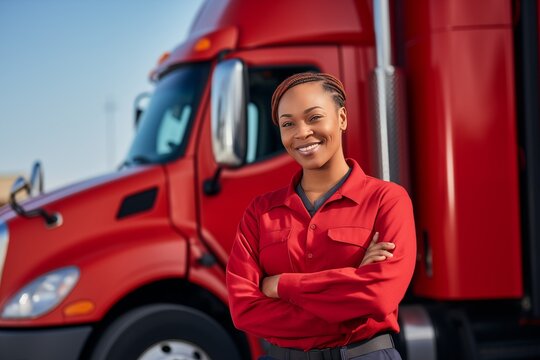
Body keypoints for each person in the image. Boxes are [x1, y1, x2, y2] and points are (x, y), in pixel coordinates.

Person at [226, 72, 416, 360]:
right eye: (289, 124)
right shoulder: (260, 212)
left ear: (341, 118)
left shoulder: (386, 200)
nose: (302, 133)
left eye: (314, 117)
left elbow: (379, 296)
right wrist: (352, 287)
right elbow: (244, 311)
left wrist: (280, 285)